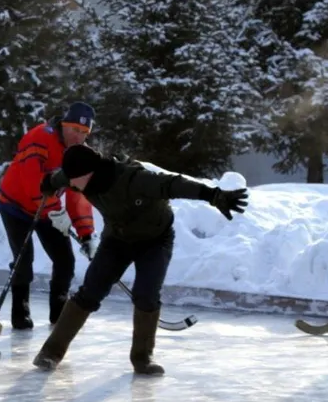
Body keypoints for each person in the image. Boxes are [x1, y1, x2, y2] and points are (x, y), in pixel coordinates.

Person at [32, 144, 248, 375]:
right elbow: (59, 178)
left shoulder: (133, 179)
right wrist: (49, 183)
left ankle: (143, 358)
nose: (71, 184)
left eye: (74, 179)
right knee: (90, 292)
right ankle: (50, 352)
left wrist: (213, 195)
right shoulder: (76, 174)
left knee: (146, 294)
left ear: (89, 173)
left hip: (155, 240)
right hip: (117, 240)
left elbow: (171, 184)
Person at [0, 102, 97, 329]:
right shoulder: (40, 138)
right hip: (15, 205)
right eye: (74, 129)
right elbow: (32, 182)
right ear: (64, 125)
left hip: (47, 209)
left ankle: (59, 312)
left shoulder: (80, 155)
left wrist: (87, 234)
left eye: (84, 132)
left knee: (65, 260)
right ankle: (20, 312)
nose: (78, 136)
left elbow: (78, 196)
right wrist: (55, 211)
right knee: (24, 260)